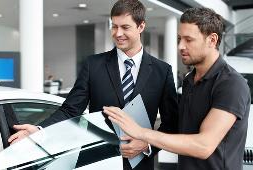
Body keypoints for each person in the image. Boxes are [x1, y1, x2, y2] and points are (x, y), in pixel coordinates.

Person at [8, 0, 178, 169]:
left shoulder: (162, 71)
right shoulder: (93, 65)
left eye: (125, 27)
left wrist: (148, 144)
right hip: (98, 161)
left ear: (141, 26)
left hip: (141, 163)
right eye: (114, 26)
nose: (118, 33)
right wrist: (40, 129)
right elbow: (70, 109)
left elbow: (171, 123)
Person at [104, 7, 251, 170]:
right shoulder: (189, 81)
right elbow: (180, 131)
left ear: (212, 40)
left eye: (189, 39)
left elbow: (203, 146)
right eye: (179, 39)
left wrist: (141, 132)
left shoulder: (231, 84)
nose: (180, 46)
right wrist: (146, 144)